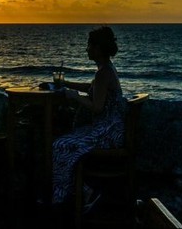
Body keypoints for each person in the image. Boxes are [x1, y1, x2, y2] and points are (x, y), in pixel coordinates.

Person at [51, 26, 127, 207]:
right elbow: (92, 88)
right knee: (67, 139)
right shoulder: (106, 68)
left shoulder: (103, 73)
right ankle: (77, 190)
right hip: (113, 129)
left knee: (60, 145)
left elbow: (97, 107)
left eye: (89, 45)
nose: (87, 49)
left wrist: (74, 97)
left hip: (106, 133)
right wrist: (66, 84)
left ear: (98, 49)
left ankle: (68, 196)